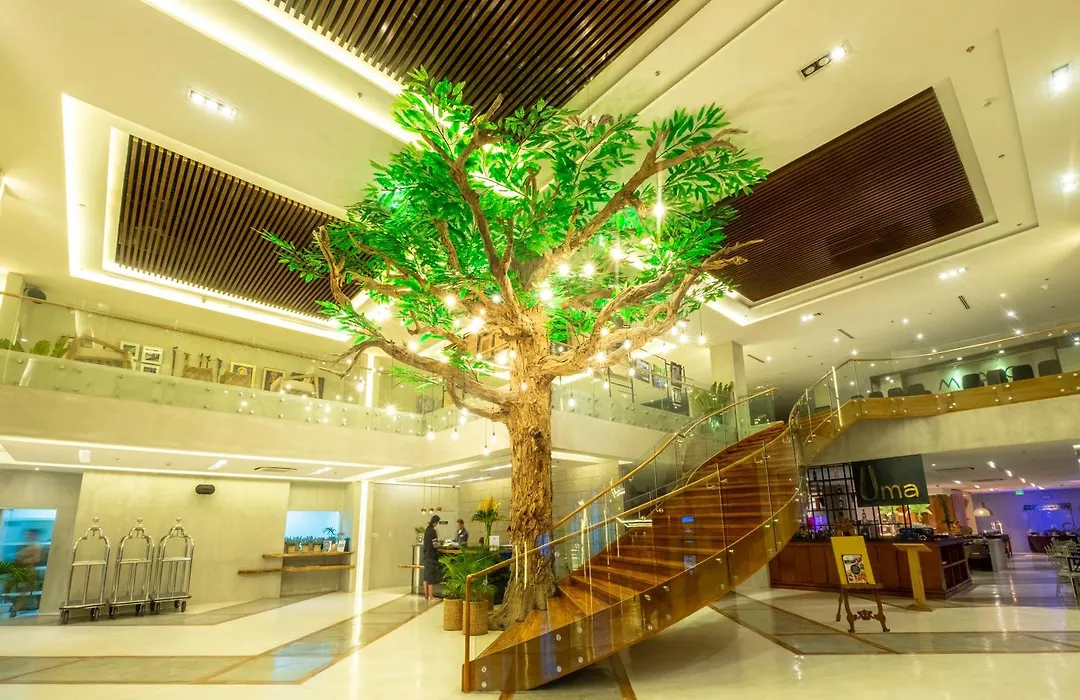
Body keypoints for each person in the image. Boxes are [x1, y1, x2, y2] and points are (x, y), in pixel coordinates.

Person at [421, 515, 440, 601]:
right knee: (431, 576)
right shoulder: (433, 531)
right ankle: (431, 596)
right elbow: (435, 545)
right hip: (431, 555)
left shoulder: (427, 530)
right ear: (435, 522)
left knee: (426, 576)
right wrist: (440, 544)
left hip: (425, 555)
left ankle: (426, 595)